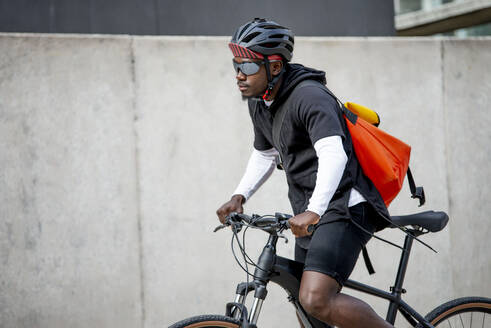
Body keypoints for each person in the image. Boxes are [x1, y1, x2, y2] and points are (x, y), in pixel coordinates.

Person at [216, 18, 393, 328]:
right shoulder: (260, 102)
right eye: (236, 64)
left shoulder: (309, 96)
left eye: (248, 66)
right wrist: (239, 195)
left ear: (274, 66)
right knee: (305, 306)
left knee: (315, 299)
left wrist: (314, 211)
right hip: (312, 211)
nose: (239, 74)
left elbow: (333, 154)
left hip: (345, 206)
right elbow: (265, 153)